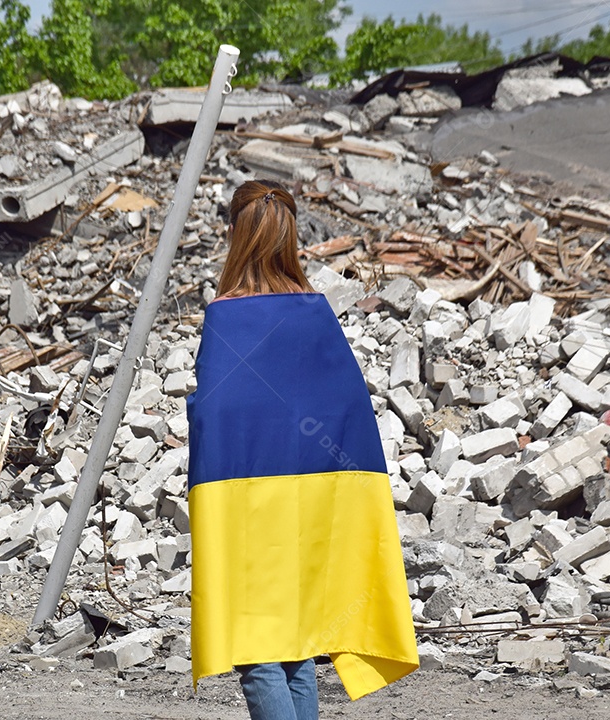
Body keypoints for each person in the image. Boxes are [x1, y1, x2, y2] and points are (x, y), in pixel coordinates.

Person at [186, 180, 418, 720]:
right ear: (291, 236)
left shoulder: (225, 314)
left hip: (240, 500)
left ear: (235, 236)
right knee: (298, 640)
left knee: (258, 647)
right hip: (314, 500)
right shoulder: (315, 312)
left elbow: (216, 412)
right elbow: (346, 405)